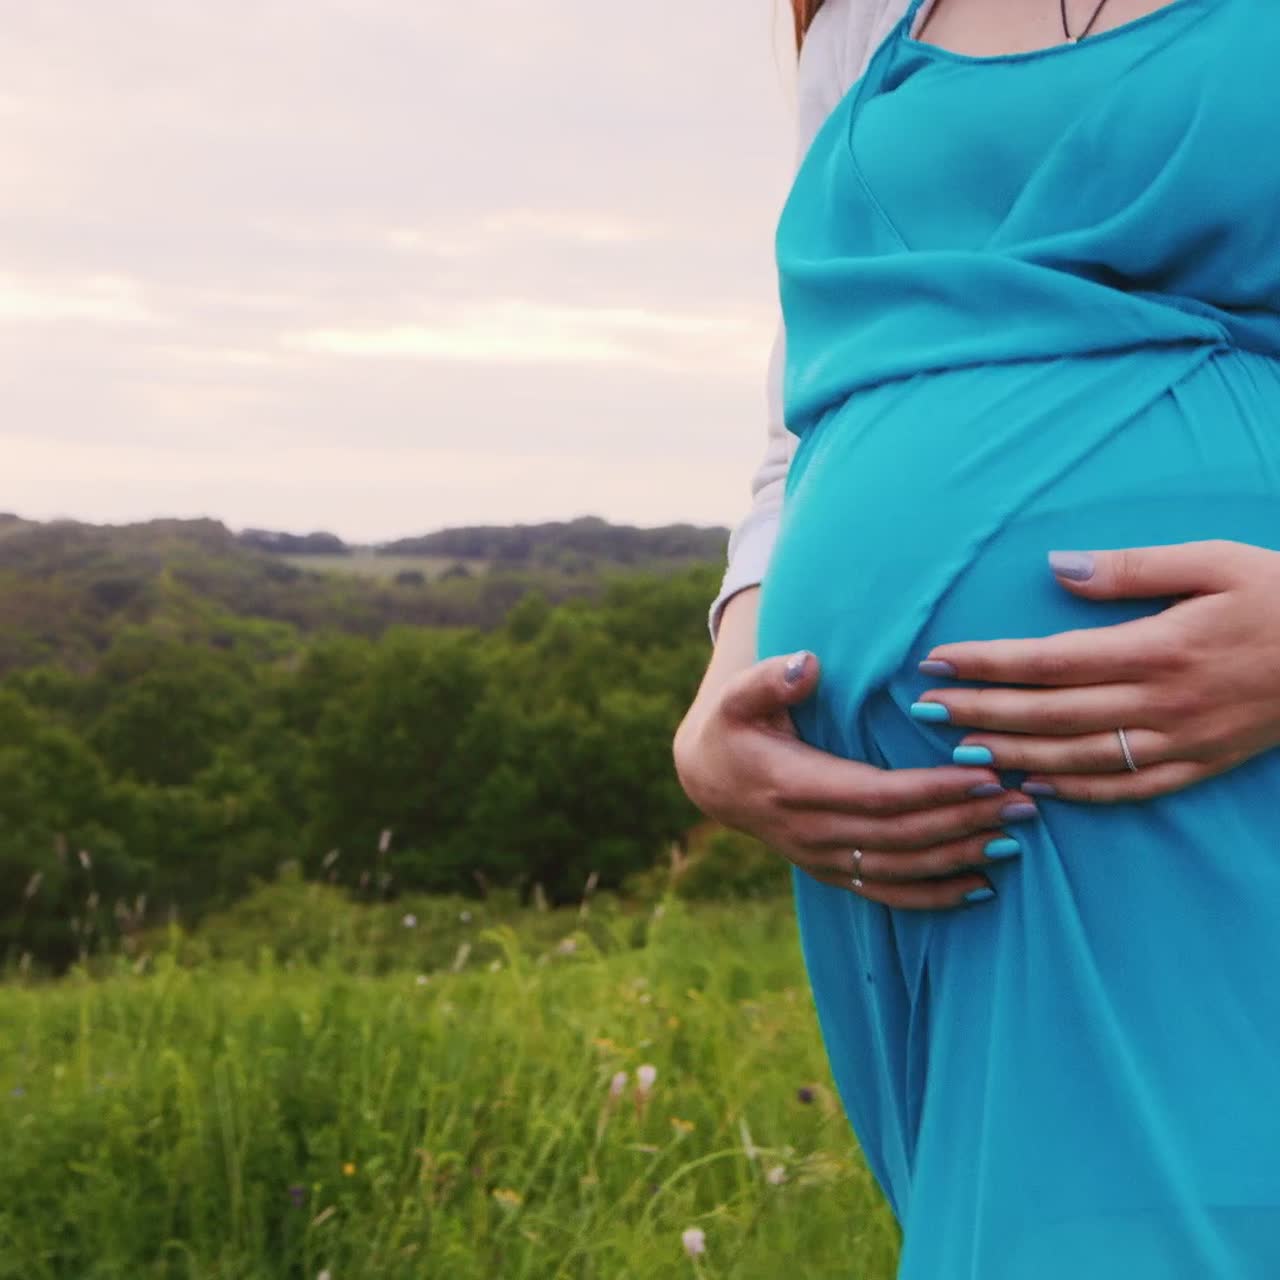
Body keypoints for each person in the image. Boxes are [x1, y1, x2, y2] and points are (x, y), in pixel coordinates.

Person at [673, 0, 1280, 1274]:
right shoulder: (857, 18)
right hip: (936, 855)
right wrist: (728, 677)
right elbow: (813, 407)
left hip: (1229, 783)